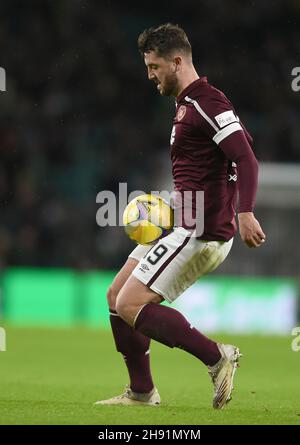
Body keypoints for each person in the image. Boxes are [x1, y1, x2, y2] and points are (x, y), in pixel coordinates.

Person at [95, 23, 266, 409]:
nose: (149, 75)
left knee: (130, 304)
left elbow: (246, 157)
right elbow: (214, 165)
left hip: (201, 231)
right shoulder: (186, 105)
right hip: (183, 221)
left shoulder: (208, 102)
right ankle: (142, 392)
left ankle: (216, 356)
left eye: (154, 66)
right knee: (114, 297)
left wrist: (245, 211)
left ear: (176, 61)